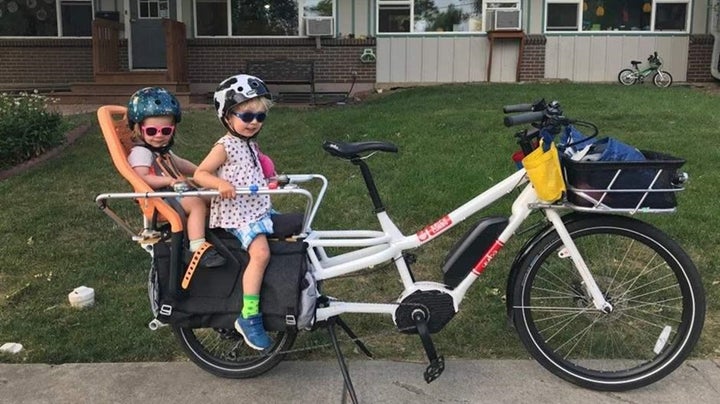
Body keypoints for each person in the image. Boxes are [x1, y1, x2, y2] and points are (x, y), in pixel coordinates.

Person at [194, 74, 277, 350]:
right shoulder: (225, 146)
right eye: (247, 115)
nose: (254, 122)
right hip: (236, 214)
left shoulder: (249, 144)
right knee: (261, 253)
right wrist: (220, 183)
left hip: (254, 208)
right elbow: (200, 173)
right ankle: (249, 316)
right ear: (227, 116)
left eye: (260, 117)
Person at [126, 87, 226, 268]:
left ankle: (224, 230)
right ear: (138, 128)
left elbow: (180, 164)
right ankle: (197, 247)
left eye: (165, 130)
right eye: (151, 131)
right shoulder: (141, 152)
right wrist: (170, 181)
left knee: (215, 196)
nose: (159, 135)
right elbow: (141, 178)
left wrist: (202, 173)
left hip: (174, 194)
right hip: (160, 198)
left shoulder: (161, 151)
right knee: (196, 204)